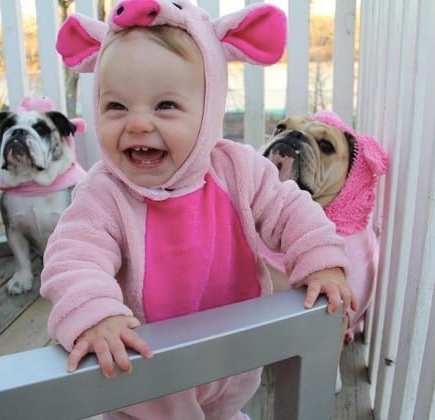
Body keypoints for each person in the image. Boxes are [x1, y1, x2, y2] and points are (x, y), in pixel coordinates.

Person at [41, 1, 358, 418]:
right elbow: (73, 257)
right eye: (116, 106)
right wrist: (95, 315)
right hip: (138, 381)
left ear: (209, 109)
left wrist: (320, 260)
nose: (136, 123)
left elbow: (290, 211)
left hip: (229, 368)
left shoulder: (238, 170)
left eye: (165, 106)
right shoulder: (103, 194)